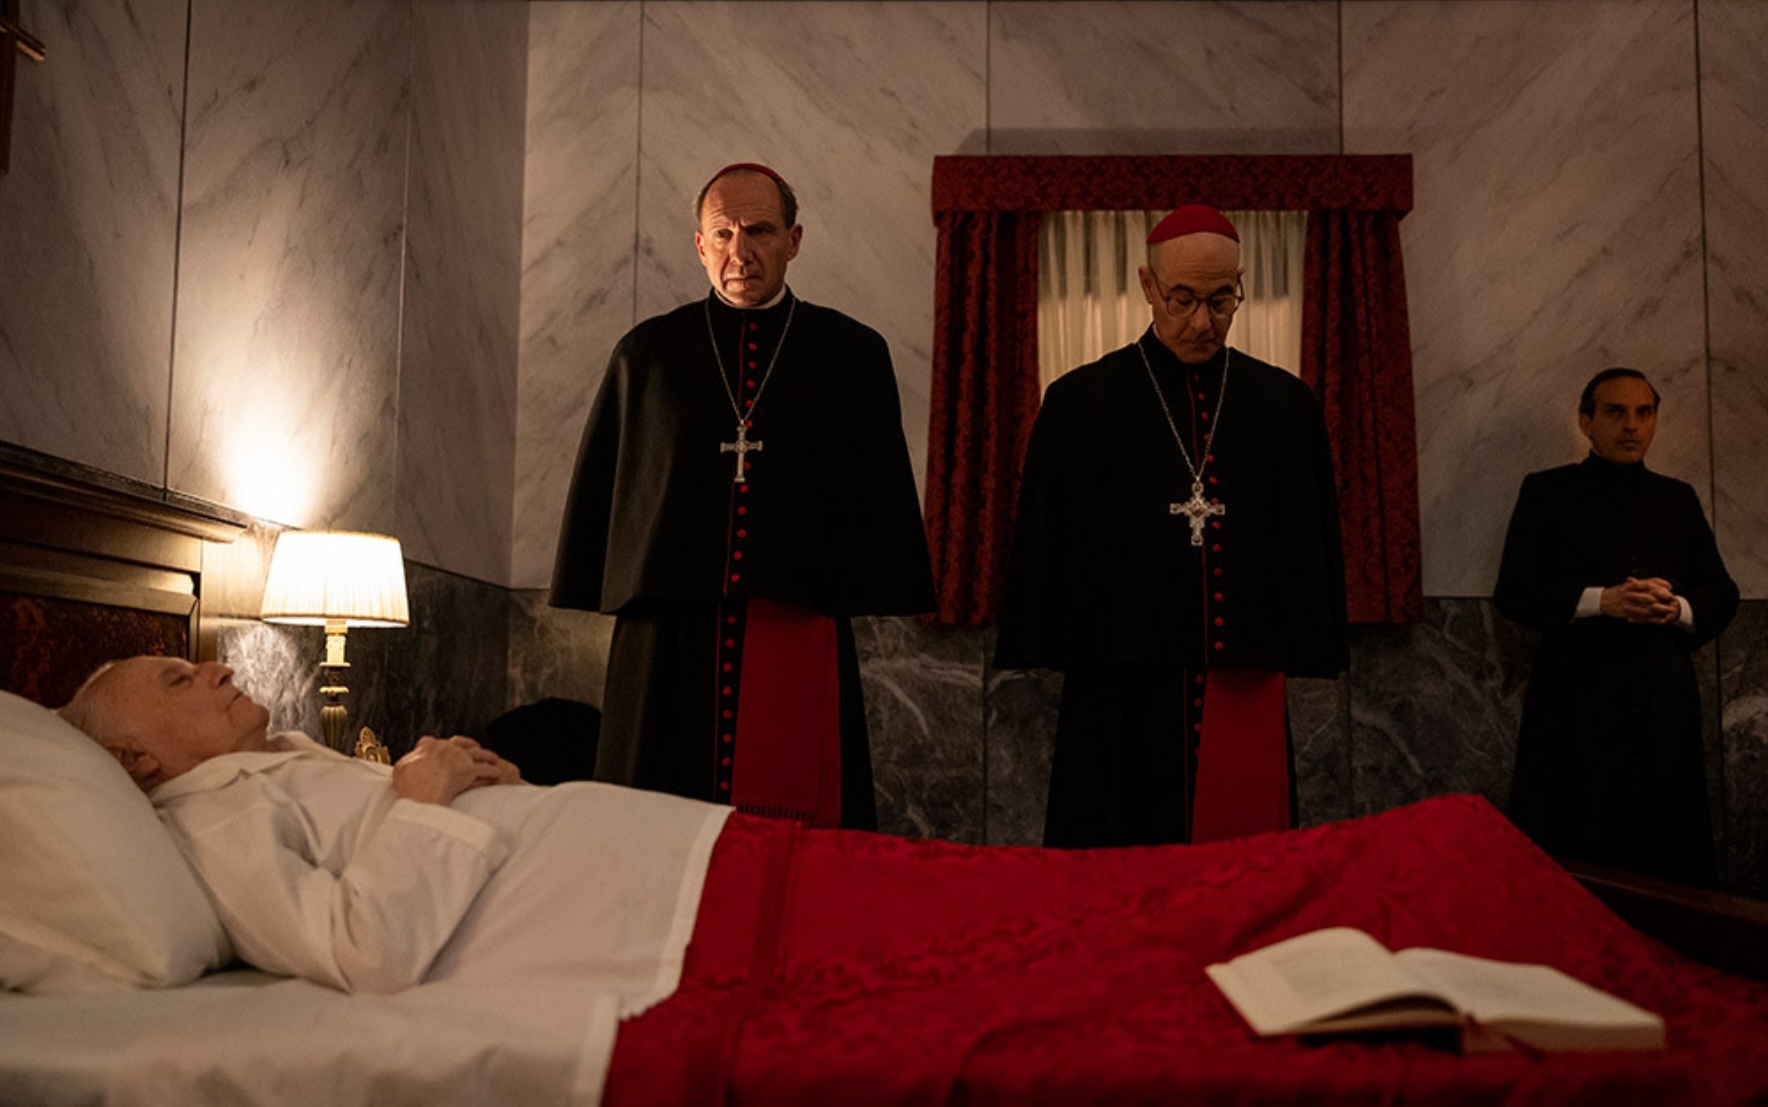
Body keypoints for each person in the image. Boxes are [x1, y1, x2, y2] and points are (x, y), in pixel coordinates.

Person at [550, 162, 933, 830]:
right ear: (700, 245)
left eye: (759, 231)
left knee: (799, 833)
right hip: (666, 643)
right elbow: (619, 502)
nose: (740, 251)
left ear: (794, 240)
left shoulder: (851, 356)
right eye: (723, 234)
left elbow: (876, 502)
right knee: (652, 826)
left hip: (796, 630)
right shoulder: (647, 356)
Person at [58, 655, 730, 999]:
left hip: (612, 840)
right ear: (134, 759)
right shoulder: (211, 818)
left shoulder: (276, 763)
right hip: (600, 892)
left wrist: (493, 781)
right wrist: (424, 798)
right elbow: (364, 953)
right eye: (179, 681)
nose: (219, 668)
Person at [994, 203, 1348, 849]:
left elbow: (1307, 545)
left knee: (1240, 864)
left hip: (1241, 675)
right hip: (1116, 682)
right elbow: (1048, 542)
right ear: (1148, 286)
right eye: (1182, 299)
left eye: (1221, 300)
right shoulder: (1080, 403)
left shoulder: (1284, 406)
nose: (1202, 321)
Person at [1494, 367, 1737, 886]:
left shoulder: (1678, 498)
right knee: (1575, 836)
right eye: (1615, 412)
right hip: (1574, 697)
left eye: (1644, 413)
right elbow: (1514, 591)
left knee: (1667, 839)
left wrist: (1675, 608)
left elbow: (1721, 592)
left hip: (1662, 697)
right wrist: (1603, 602)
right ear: (1586, 421)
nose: (1632, 426)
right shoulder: (1546, 492)